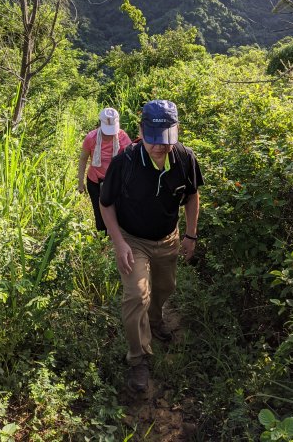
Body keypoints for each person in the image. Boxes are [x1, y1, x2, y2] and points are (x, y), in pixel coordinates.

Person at [99, 99, 204, 393]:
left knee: (164, 288)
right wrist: (119, 243)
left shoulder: (184, 157)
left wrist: (191, 234)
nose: (160, 147)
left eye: (166, 140)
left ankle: (156, 320)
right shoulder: (126, 162)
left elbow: (192, 196)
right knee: (137, 297)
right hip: (133, 240)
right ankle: (138, 359)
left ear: (176, 131)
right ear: (141, 131)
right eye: (154, 140)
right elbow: (105, 204)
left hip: (168, 238)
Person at [78, 107, 131, 232]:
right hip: (95, 180)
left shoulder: (123, 137)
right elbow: (83, 159)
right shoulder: (91, 138)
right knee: (99, 211)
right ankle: (102, 238)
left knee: (117, 210)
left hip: (115, 181)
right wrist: (80, 182)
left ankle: (116, 236)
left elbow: (131, 158)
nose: (110, 134)